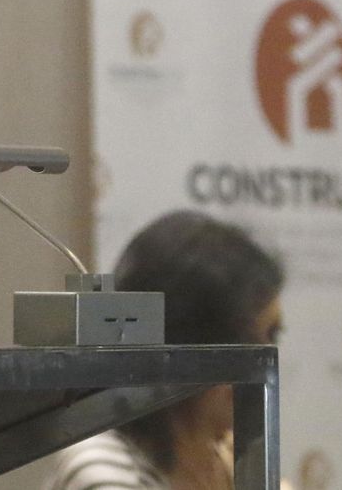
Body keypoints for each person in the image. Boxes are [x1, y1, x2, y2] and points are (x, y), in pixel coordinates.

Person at [44, 210, 284, 490]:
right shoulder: (101, 469)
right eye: (259, 338)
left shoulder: (221, 458)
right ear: (202, 346)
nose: (268, 358)